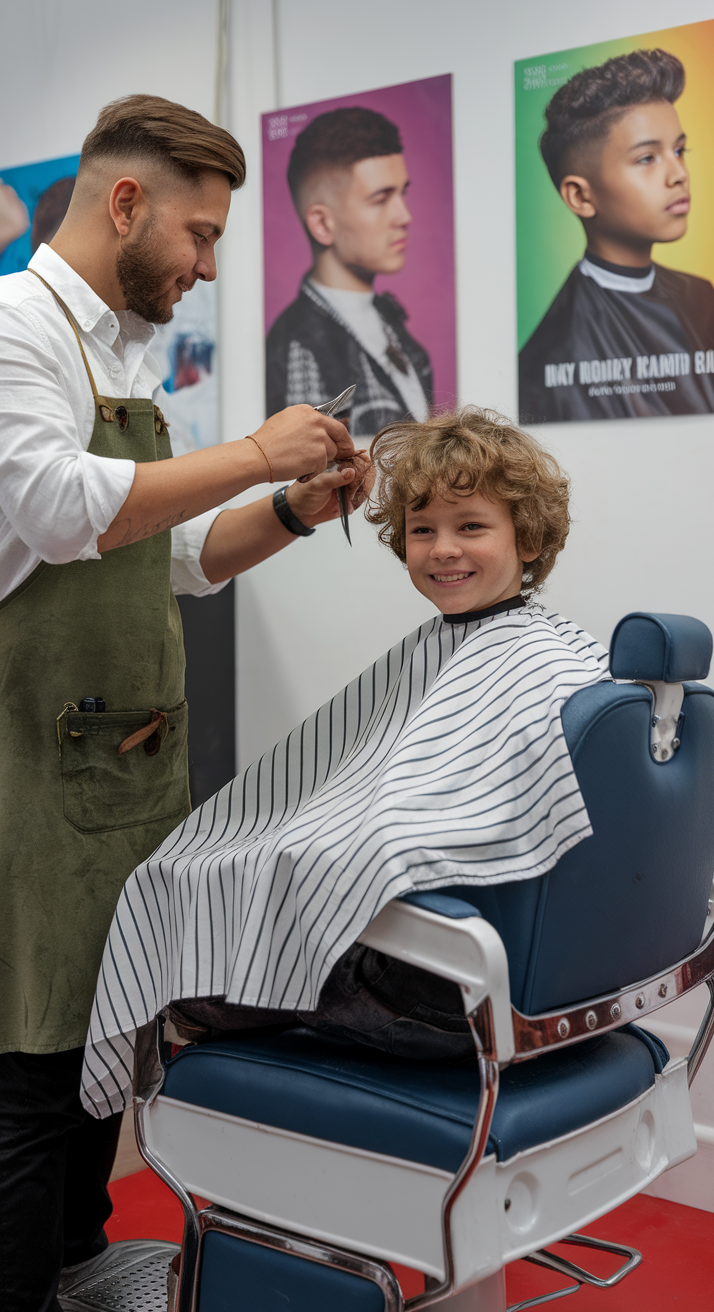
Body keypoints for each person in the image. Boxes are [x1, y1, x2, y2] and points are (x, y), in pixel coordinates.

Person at [0, 93, 373, 1312]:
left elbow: (171, 555)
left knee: (89, 1054)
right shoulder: (14, 327)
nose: (209, 268)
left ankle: (75, 1257)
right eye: (201, 236)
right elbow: (62, 509)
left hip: (111, 762)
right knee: (26, 1064)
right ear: (124, 203)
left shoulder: (117, 350)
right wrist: (261, 452)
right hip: (27, 762)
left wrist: (291, 510)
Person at [83, 406, 624, 1111]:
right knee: (210, 911)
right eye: (422, 530)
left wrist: (303, 853)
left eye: (471, 527)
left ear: (527, 537)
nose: (441, 550)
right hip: (532, 985)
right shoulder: (547, 653)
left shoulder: (537, 667)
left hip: (452, 999)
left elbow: (420, 834)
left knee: (179, 971)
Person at [519, 48, 714, 423]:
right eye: (647, 158)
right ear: (581, 196)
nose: (679, 174)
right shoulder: (554, 351)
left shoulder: (701, 296)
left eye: (680, 150)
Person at [266, 106, 433, 440]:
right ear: (323, 224)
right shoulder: (302, 346)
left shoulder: (389, 324)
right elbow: (313, 480)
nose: (404, 215)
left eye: (402, 193)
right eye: (381, 198)